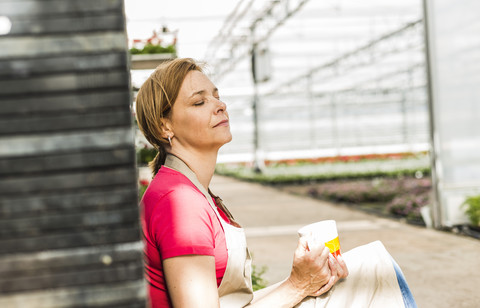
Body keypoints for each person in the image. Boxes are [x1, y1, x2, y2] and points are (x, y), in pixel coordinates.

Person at [136, 58, 417, 308]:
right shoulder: (179, 203)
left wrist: (306, 279)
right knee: (378, 275)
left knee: (366, 267)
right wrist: (297, 285)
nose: (219, 106)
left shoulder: (189, 189)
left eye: (216, 96)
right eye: (199, 102)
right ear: (165, 127)